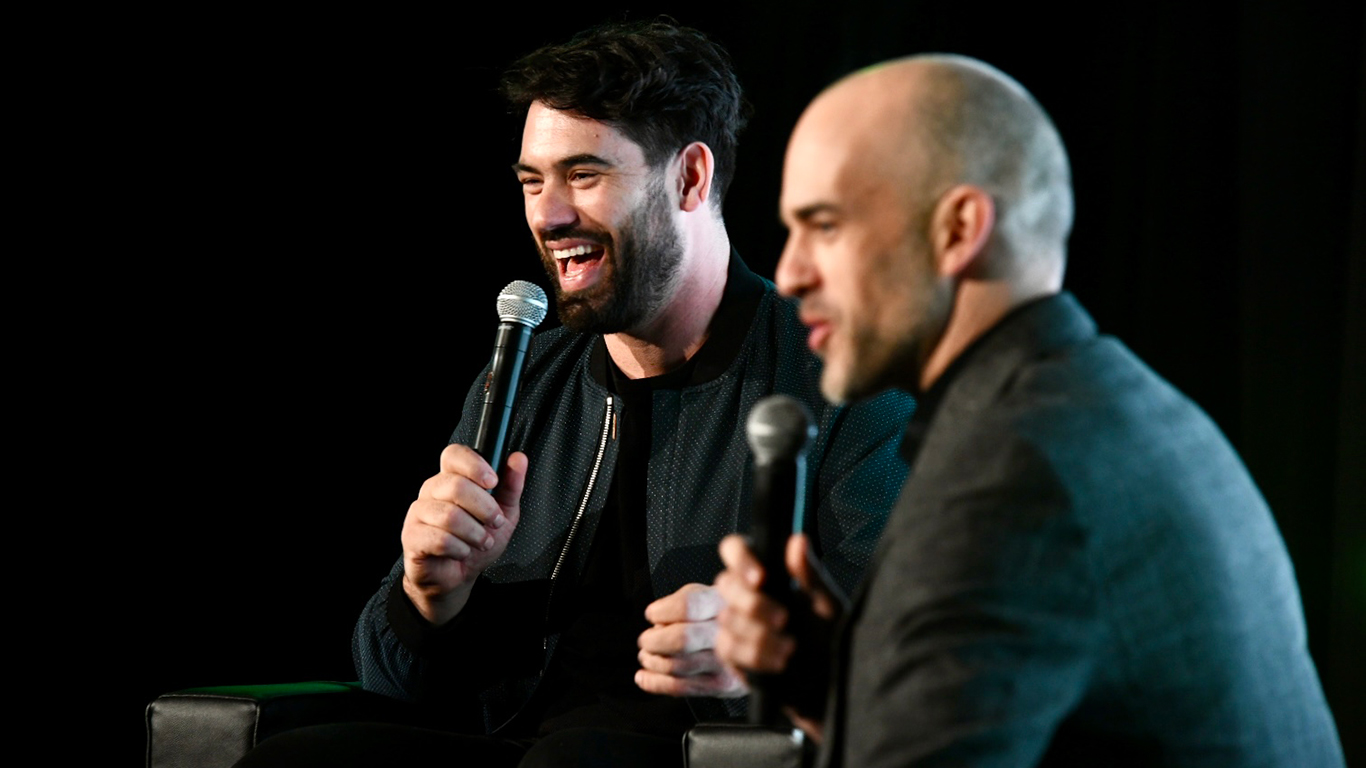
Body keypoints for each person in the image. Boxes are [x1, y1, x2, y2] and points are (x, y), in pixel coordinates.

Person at [236, 20, 913, 768]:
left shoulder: (840, 378)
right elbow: (392, 678)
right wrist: (431, 596)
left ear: (690, 177)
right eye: (533, 181)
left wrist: (762, 659)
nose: (548, 215)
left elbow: (907, 656)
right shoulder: (526, 378)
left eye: (584, 176)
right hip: (522, 746)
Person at [713, 55, 1345, 767]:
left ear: (957, 230)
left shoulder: (1007, 476)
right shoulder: (1113, 404)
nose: (791, 273)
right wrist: (839, 687)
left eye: (823, 226)